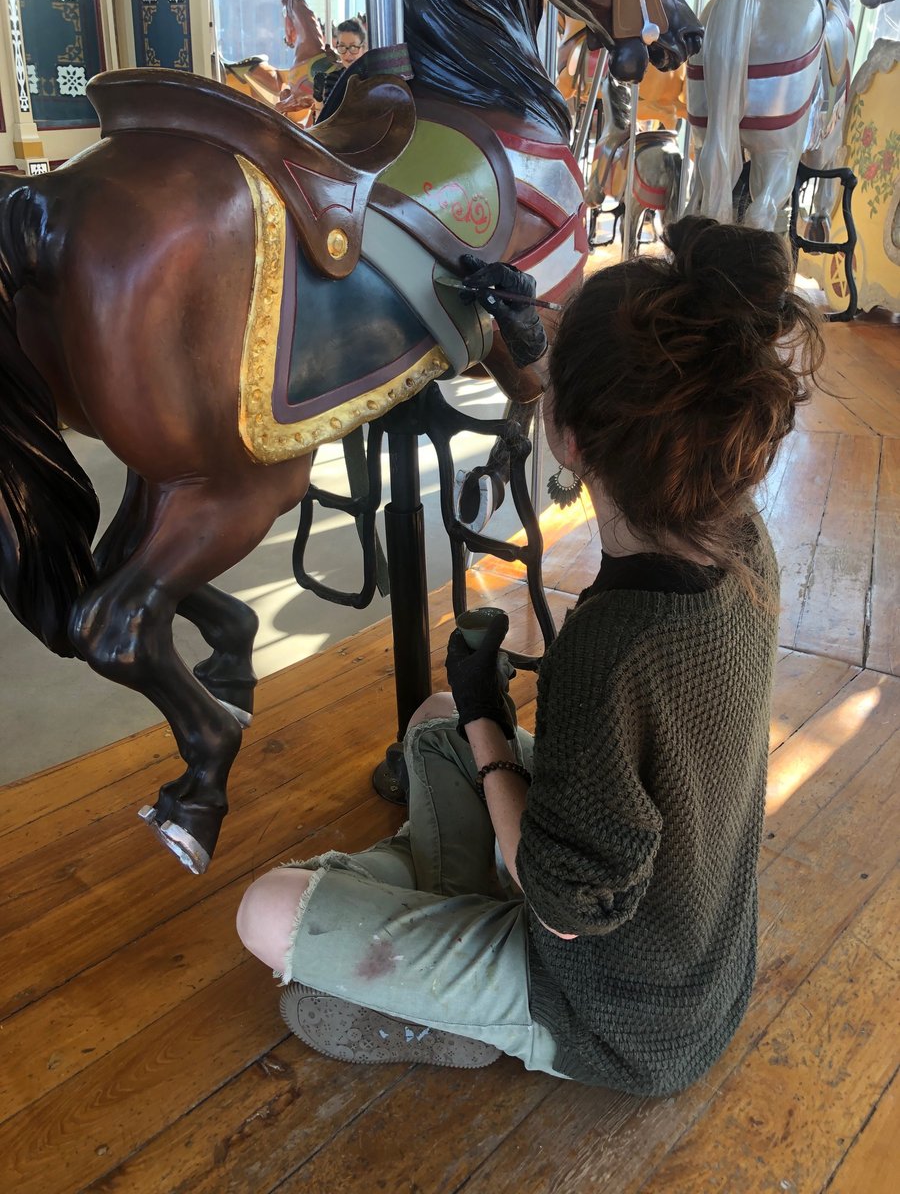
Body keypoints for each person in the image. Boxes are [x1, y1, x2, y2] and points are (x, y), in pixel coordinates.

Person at [236, 218, 824, 1094]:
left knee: (266, 910)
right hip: (698, 962)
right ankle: (440, 917)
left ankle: (458, 995)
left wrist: (485, 714)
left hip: (616, 1012)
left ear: (569, 439)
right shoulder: (744, 542)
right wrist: (471, 723)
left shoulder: (612, 647)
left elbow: (569, 906)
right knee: (429, 724)